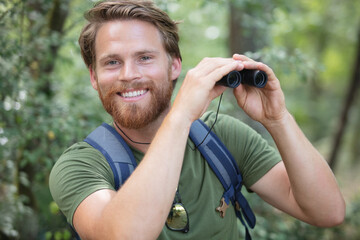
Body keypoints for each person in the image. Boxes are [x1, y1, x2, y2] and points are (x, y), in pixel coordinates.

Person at [49, 0, 345, 239]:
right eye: (112, 62)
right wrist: (180, 115)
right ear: (94, 76)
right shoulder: (79, 166)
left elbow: (327, 212)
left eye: (145, 58)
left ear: (174, 65)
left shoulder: (221, 137)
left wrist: (278, 118)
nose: (128, 74)